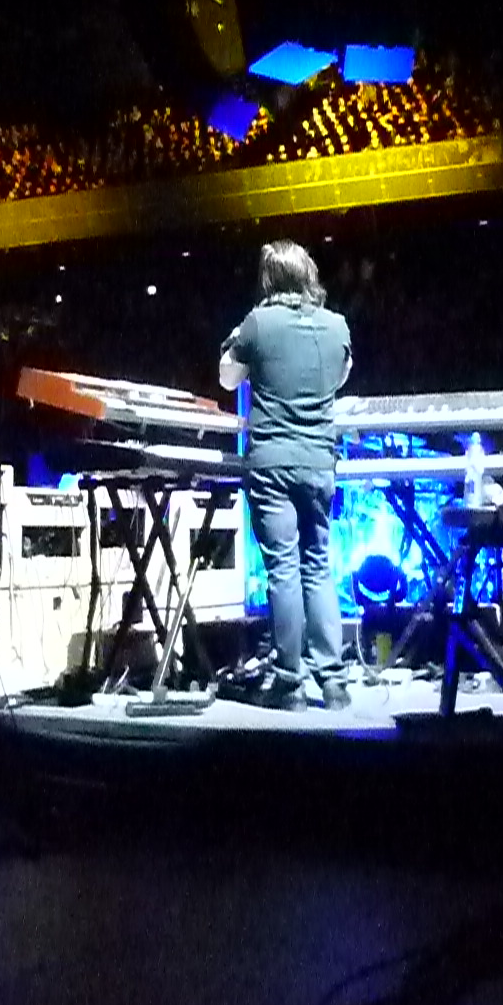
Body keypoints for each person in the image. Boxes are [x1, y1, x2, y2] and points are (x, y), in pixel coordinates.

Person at [219, 240, 354, 710]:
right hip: (318, 463)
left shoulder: (258, 322)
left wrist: (237, 341)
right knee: (318, 566)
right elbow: (340, 377)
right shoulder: (337, 326)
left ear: (269, 279)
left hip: (272, 462)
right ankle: (333, 683)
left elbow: (227, 378)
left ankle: (289, 683)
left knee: (283, 567)